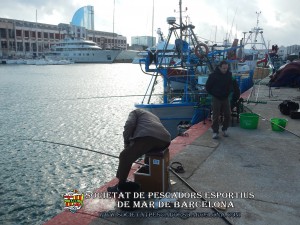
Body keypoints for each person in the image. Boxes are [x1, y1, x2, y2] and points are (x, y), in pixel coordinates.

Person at [107, 109, 171, 192]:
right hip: (166, 140)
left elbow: (129, 125)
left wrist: (126, 143)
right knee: (147, 148)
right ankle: (148, 167)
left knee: (124, 156)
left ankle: (120, 186)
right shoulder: (152, 116)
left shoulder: (135, 112)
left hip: (149, 137)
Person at [205, 60, 233, 139]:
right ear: (219, 67)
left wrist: (229, 91)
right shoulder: (213, 75)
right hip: (216, 97)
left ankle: (225, 129)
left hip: (225, 97)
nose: (225, 70)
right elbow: (207, 87)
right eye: (223, 68)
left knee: (227, 114)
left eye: (226, 68)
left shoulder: (229, 74)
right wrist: (214, 93)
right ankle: (215, 131)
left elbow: (231, 85)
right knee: (215, 115)